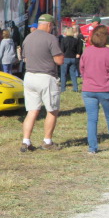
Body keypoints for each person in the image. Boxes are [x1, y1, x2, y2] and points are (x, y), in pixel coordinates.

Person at [19, 14, 64, 152]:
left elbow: (25, 58)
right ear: (49, 25)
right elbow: (59, 61)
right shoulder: (51, 38)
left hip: (29, 76)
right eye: (52, 26)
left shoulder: (28, 38)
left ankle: (26, 141)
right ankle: (47, 141)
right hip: (46, 77)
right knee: (52, 110)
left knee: (32, 111)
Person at [79, 25, 109, 154]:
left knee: (92, 119)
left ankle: (92, 148)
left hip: (89, 89)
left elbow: (82, 69)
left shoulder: (87, 52)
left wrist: (87, 80)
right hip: (106, 88)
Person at [59, 27, 82, 92]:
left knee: (63, 74)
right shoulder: (76, 40)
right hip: (73, 58)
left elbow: (62, 49)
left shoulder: (63, 40)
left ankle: (63, 88)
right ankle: (75, 88)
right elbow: (78, 49)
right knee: (73, 74)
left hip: (65, 58)